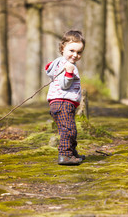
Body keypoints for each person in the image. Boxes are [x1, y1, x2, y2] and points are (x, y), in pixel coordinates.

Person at [45, 30, 86, 165]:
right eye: (72, 50)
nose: (75, 55)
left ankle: (72, 153)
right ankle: (65, 155)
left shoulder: (59, 62)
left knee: (69, 129)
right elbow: (64, 85)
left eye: (79, 52)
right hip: (63, 102)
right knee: (68, 130)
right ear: (62, 48)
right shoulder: (67, 65)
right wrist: (69, 73)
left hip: (60, 103)